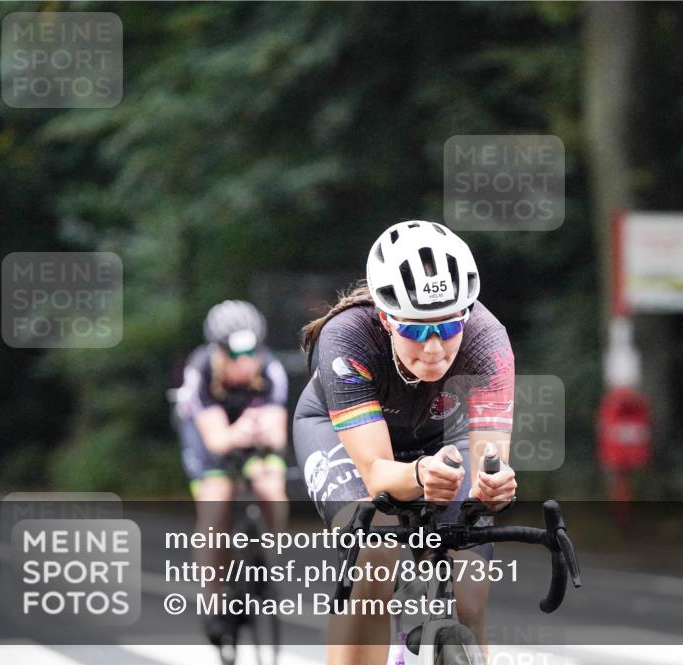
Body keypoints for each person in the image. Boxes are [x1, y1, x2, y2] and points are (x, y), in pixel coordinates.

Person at [295, 220, 517, 665]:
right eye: (415, 330)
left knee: (470, 592)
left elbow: (488, 466)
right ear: (385, 318)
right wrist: (418, 474)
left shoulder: (488, 341)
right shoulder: (348, 337)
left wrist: (494, 485)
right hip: (345, 438)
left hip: (438, 436)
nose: (434, 347)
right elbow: (377, 472)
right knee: (375, 559)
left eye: (449, 326)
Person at [174, 299, 289, 644]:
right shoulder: (200, 371)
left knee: (270, 484)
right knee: (217, 500)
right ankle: (212, 601)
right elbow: (217, 440)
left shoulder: (270, 368)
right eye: (234, 355)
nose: (243, 362)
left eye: (250, 353)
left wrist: (261, 432)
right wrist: (236, 434)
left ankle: (269, 555)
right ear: (218, 351)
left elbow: (277, 434)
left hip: (249, 436)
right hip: (208, 437)